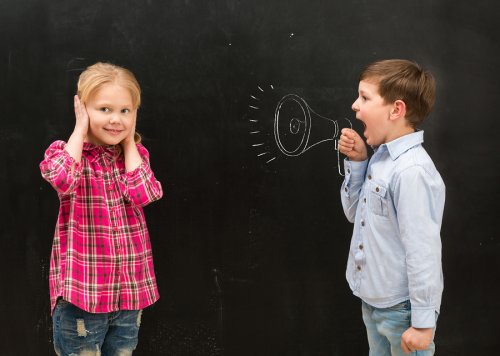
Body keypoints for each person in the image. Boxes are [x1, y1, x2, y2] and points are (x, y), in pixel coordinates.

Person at [40, 62, 163, 356]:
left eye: (125, 110)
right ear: (82, 108)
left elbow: (144, 194)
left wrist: (130, 142)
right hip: (82, 299)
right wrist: (80, 131)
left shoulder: (134, 158)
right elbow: (60, 178)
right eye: (104, 109)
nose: (116, 120)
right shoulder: (67, 152)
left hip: (128, 298)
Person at [338, 59, 445, 355]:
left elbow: (423, 250)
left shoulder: (412, 171)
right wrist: (359, 163)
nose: (355, 105)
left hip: (402, 310)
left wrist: (423, 322)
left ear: (396, 110)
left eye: (365, 97)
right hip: (374, 301)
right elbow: (354, 214)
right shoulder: (380, 160)